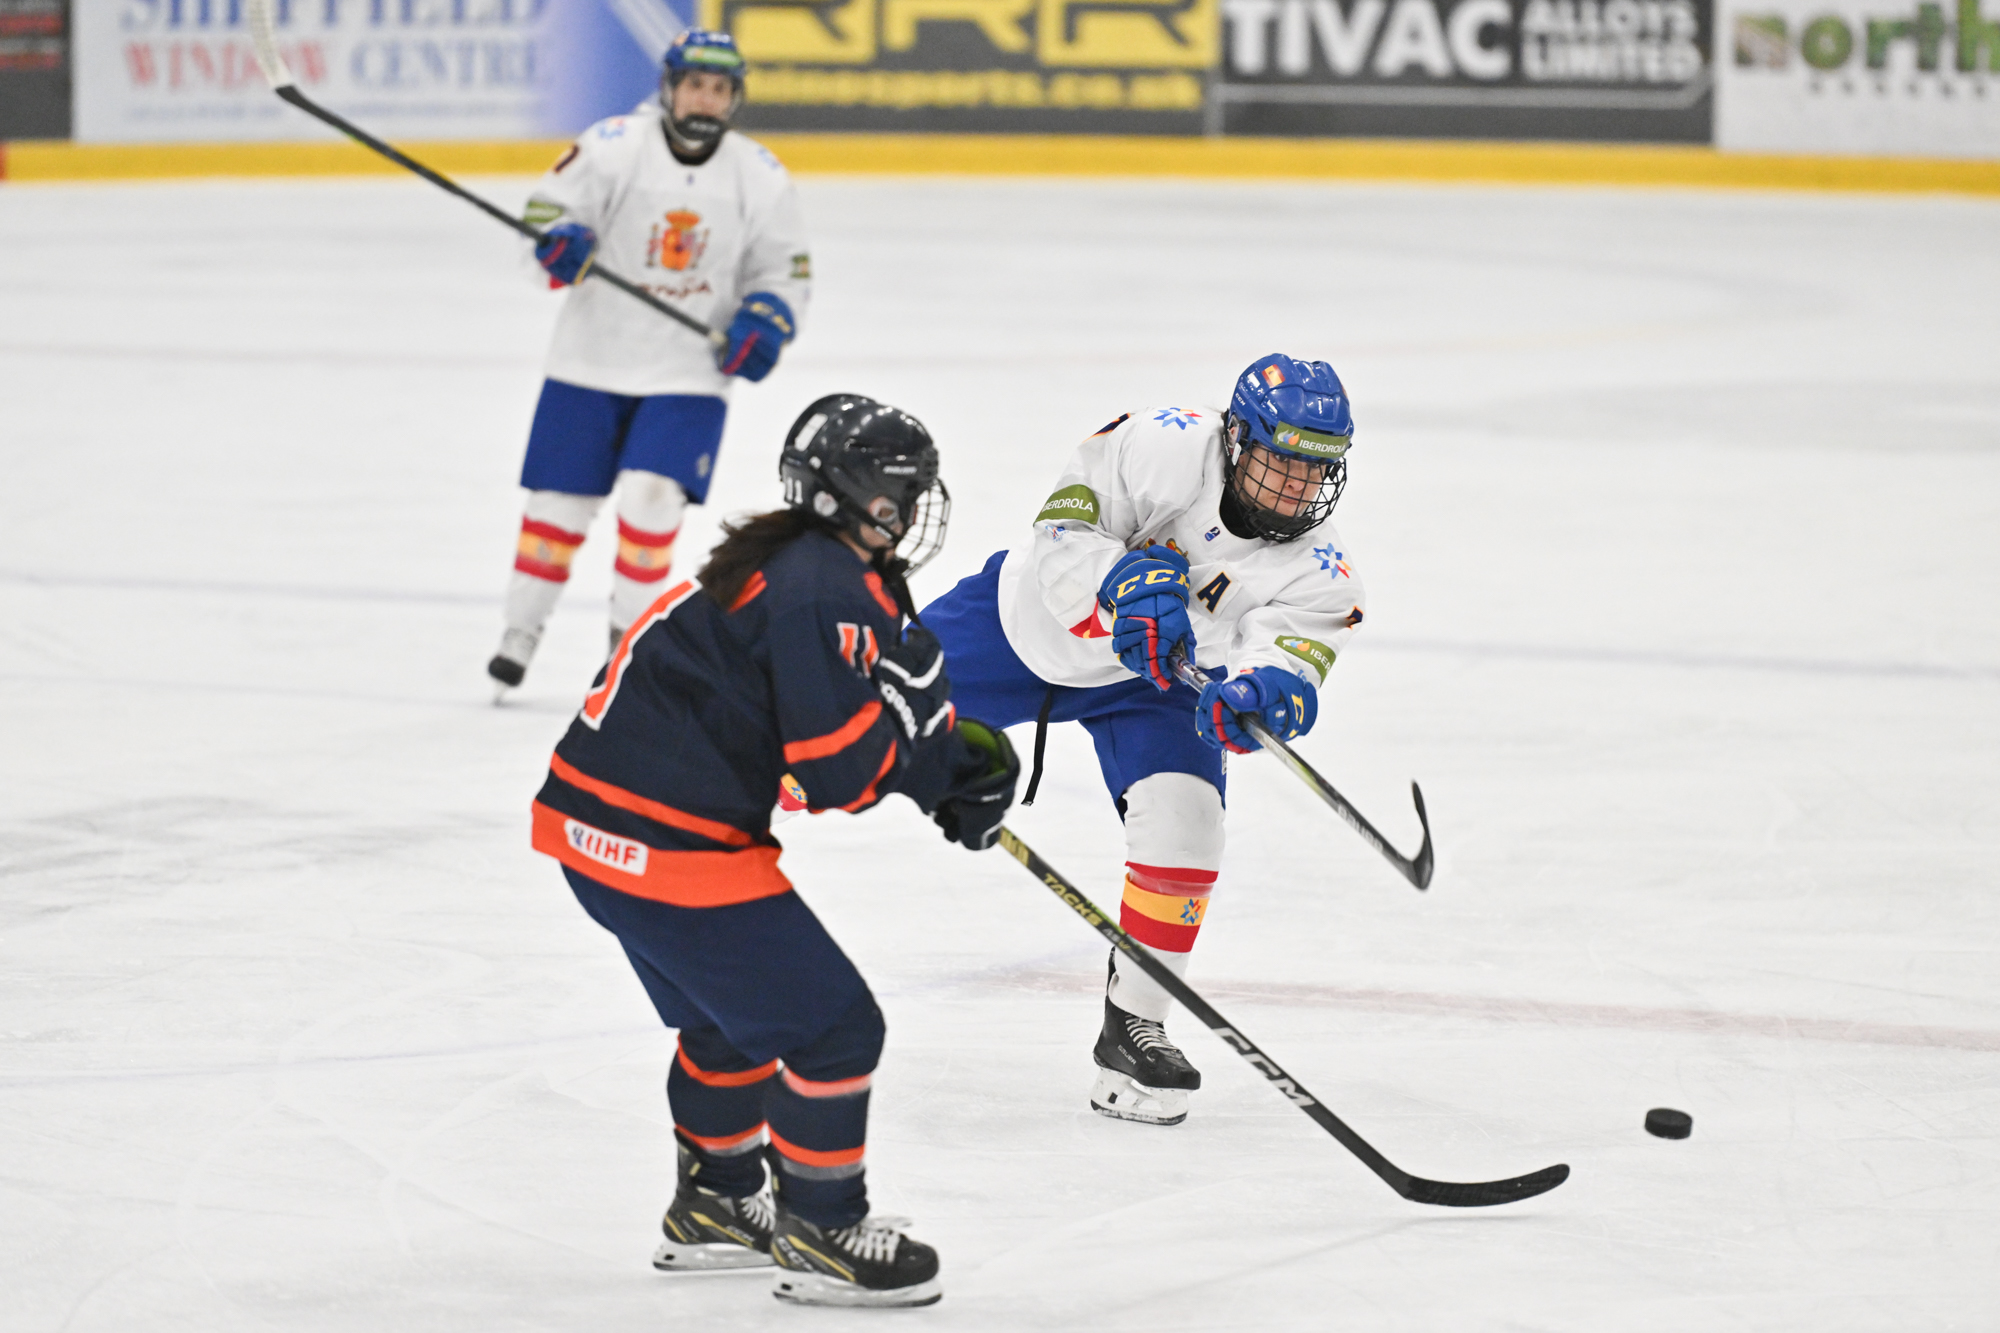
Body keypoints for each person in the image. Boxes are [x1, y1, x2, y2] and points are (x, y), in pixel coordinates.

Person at [530, 394, 1018, 1308]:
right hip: (666, 841)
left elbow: (804, 736)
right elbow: (832, 768)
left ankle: (717, 1206)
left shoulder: (794, 560)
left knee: (731, 1022)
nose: (914, 511)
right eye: (904, 492)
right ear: (863, 497)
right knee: (835, 1029)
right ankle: (824, 1228)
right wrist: (930, 751)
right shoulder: (821, 585)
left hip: (594, 830)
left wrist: (940, 765)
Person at [919, 354, 1366, 1127]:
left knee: (1190, 825)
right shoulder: (1157, 444)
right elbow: (1061, 532)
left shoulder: (1323, 570)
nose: (1297, 487)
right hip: (1017, 630)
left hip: (1158, 682)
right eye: (1281, 462)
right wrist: (1121, 583)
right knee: (842, 713)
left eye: (1315, 471)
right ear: (1236, 439)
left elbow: (1289, 660)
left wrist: (1265, 694)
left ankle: (1134, 1025)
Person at [490, 29, 811, 692]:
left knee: (653, 497)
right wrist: (558, 246)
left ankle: (625, 645)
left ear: (733, 98)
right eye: (695, 84)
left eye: (720, 89)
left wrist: (766, 320)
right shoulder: (611, 148)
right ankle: (518, 634)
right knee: (558, 506)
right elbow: (541, 224)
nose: (706, 98)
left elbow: (784, 272)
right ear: (669, 86)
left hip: (688, 374)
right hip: (588, 361)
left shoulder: (760, 176)